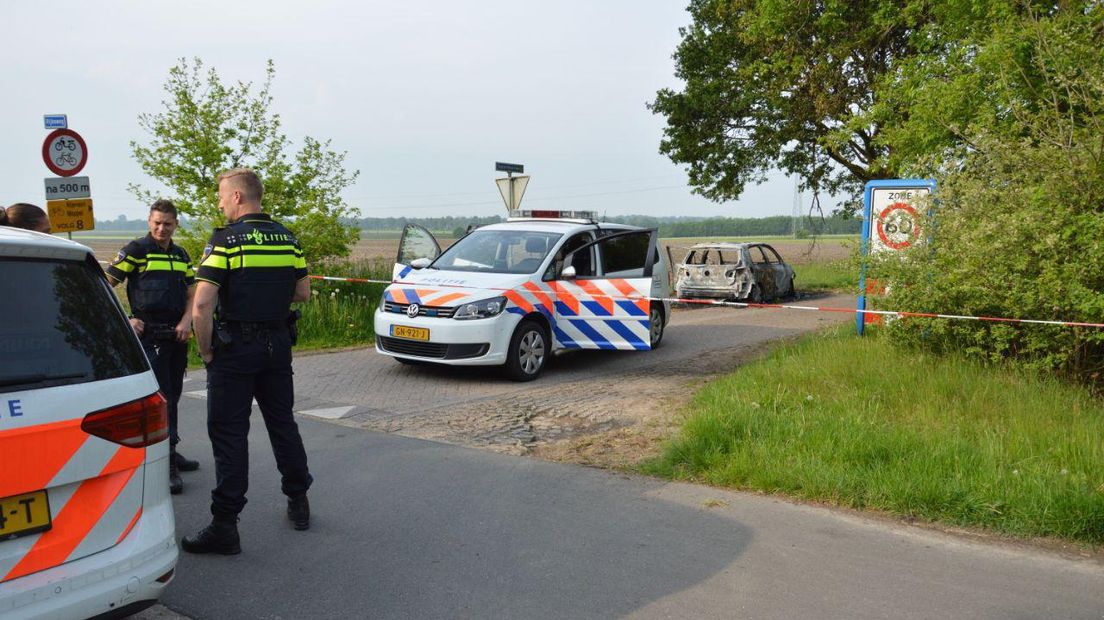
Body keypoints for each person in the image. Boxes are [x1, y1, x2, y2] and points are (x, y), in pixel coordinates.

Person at [182, 168, 313, 555]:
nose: (220, 203)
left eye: (222, 196)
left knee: (229, 435)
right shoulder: (287, 238)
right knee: (282, 424)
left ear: (238, 197)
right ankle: (299, 502)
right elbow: (302, 292)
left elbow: (202, 304)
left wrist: (205, 351)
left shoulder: (225, 241)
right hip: (276, 344)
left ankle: (225, 526)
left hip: (235, 350)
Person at [105, 200, 198, 494]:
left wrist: (187, 321)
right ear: (149, 221)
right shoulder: (135, 250)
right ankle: (166, 462)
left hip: (177, 336)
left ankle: (173, 448)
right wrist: (126, 318)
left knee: (174, 396)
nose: (161, 228)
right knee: (163, 398)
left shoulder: (181, 254)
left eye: (167, 223)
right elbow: (104, 284)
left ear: (176, 225)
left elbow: (193, 293)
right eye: (157, 222)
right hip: (150, 338)